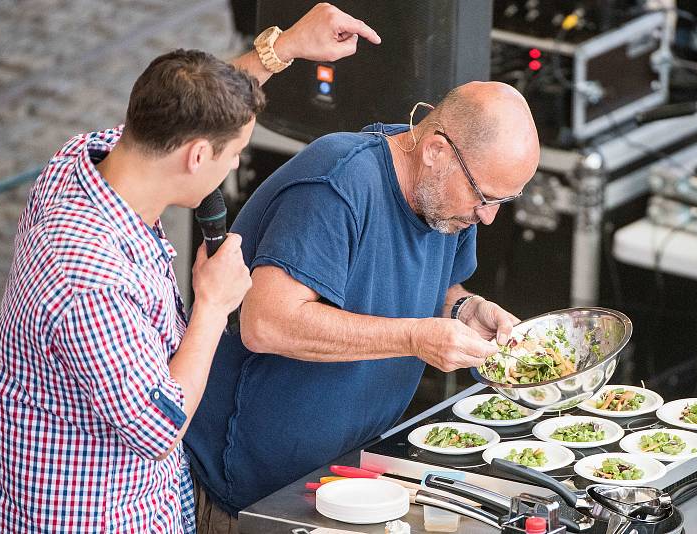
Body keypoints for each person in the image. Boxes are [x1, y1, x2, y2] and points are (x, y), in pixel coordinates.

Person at [0, 4, 379, 533]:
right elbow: (157, 426)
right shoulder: (91, 281)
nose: (238, 162)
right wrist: (213, 306)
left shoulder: (81, 161)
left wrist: (282, 48)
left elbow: (191, 106)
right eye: (235, 152)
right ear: (197, 157)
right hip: (89, 517)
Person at [184, 81, 540, 520]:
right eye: (484, 196)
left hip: (351, 480)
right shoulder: (337, 183)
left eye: (504, 200)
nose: (487, 216)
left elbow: (441, 287)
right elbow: (267, 323)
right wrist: (414, 338)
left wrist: (464, 309)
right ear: (435, 151)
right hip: (249, 491)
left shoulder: (447, 194)